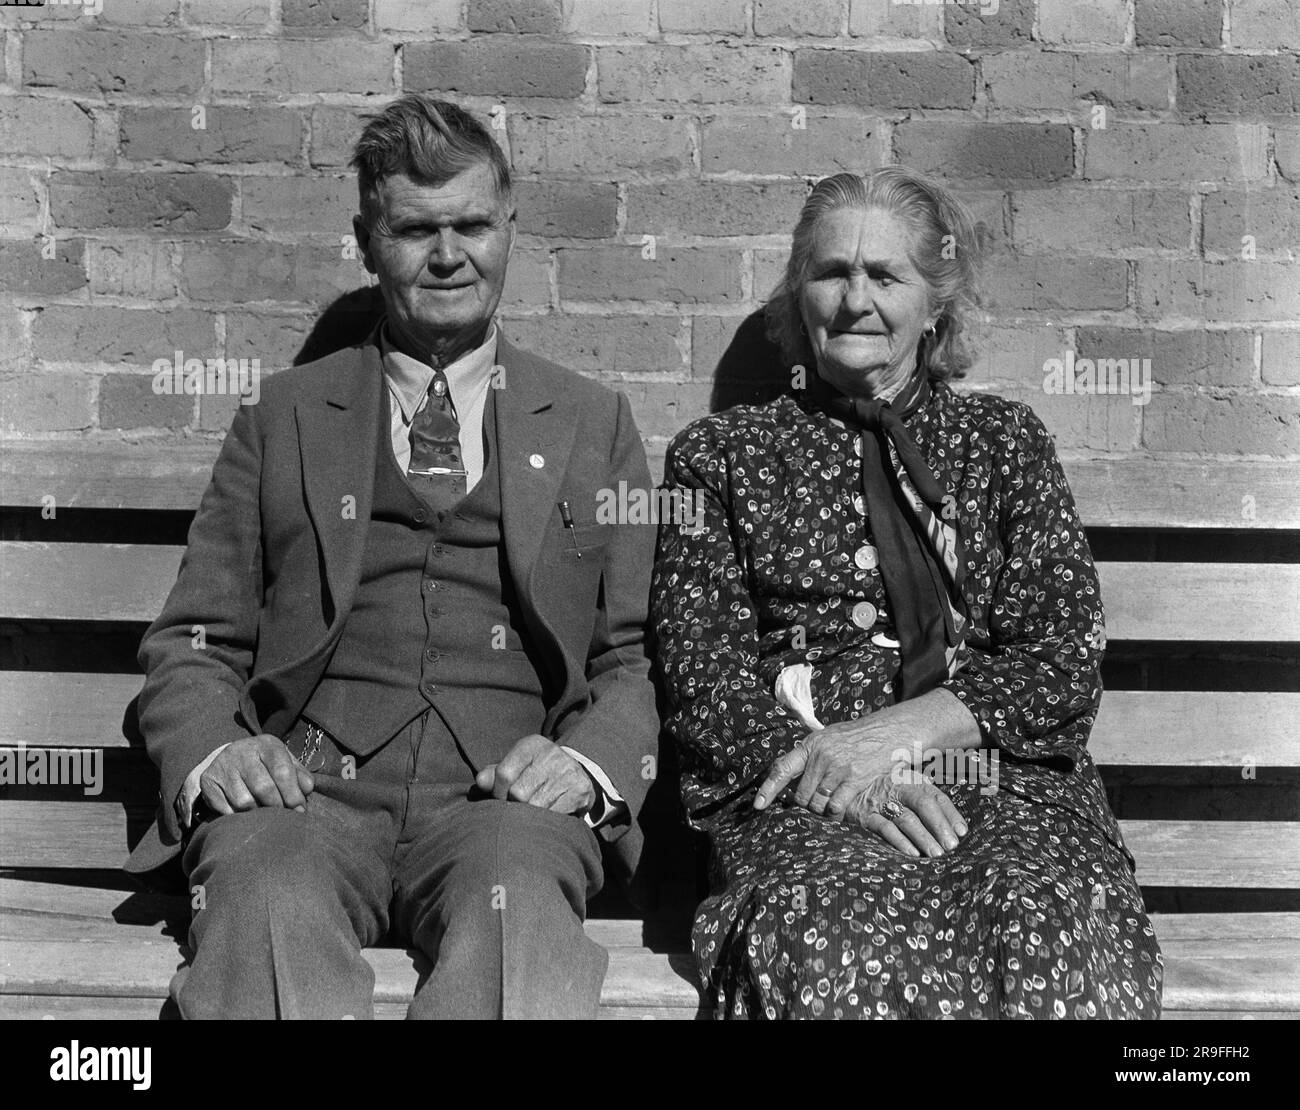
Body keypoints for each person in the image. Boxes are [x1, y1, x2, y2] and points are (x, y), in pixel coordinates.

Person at [126, 95, 660, 1019]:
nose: (448, 254)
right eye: (416, 229)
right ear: (367, 241)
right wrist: (218, 753)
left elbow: (632, 657)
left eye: (472, 225)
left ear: (510, 230)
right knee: (262, 903)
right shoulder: (283, 416)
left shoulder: (589, 422)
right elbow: (194, 641)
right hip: (309, 798)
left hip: (502, 804)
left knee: (516, 923)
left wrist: (587, 767)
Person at [651, 167, 1163, 1019]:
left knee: (1038, 922)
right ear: (798, 296)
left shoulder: (1003, 445)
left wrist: (895, 738)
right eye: (830, 274)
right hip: (811, 787)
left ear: (936, 306)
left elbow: (1062, 658)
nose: (855, 299)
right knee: (822, 929)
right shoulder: (721, 458)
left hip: (996, 774)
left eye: (885, 276)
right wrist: (847, 774)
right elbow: (705, 685)